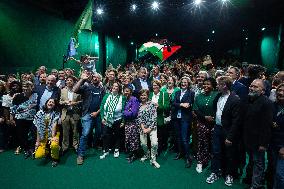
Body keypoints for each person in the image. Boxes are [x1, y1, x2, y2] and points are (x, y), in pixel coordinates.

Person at [206, 76, 241, 187]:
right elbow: (216, 111)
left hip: (228, 131)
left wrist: (230, 137)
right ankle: (215, 172)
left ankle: (229, 174)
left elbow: (236, 121)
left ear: (224, 86)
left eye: (218, 84)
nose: (216, 86)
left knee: (229, 154)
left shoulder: (235, 99)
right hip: (217, 128)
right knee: (216, 152)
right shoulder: (218, 96)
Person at [243, 79, 273, 189]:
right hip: (248, 138)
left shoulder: (267, 103)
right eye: (251, 85)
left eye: (256, 87)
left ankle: (256, 185)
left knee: (259, 163)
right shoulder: (248, 99)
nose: (251, 88)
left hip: (259, 141)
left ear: (263, 91)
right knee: (252, 161)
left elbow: (266, 126)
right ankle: (249, 179)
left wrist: (263, 144)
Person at [73, 71, 105, 165]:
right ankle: (80, 154)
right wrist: (82, 79)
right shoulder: (86, 86)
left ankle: (94, 145)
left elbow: (104, 103)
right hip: (87, 114)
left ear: (100, 79)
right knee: (85, 134)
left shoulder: (102, 89)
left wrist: (97, 112)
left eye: (97, 77)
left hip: (98, 114)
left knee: (99, 132)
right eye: (93, 77)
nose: (95, 78)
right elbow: (75, 90)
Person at [193, 78, 218, 173]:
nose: (206, 86)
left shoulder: (217, 95)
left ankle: (212, 162)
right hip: (202, 123)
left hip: (215, 124)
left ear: (213, 85)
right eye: (204, 84)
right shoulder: (199, 96)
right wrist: (205, 117)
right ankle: (200, 161)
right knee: (202, 143)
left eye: (208, 84)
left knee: (213, 144)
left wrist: (213, 118)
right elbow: (196, 109)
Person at [172, 76, 195, 168]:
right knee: (178, 137)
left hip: (185, 118)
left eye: (185, 82)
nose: (183, 84)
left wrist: (180, 105)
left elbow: (189, 104)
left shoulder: (191, 93)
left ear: (188, 84)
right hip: (176, 118)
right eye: (182, 82)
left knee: (185, 138)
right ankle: (180, 153)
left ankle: (188, 157)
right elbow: (173, 103)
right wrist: (181, 104)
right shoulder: (177, 92)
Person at [11, 81, 38, 158]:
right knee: (22, 135)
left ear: (32, 87)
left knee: (33, 134)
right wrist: (12, 118)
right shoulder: (17, 96)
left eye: (28, 87)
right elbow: (12, 109)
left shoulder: (36, 95)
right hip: (20, 119)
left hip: (32, 119)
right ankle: (26, 149)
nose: (26, 89)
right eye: (24, 87)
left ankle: (32, 149)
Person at [99, 82, 126, 159]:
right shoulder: (106, 96)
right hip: (106, 119)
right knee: (105, 135)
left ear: (119, 88)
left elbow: (123, 110)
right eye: (113, 86)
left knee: (117, 135)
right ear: (111, 87)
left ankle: (116, 149)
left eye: (116, 86)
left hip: (117, 119)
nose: (115, 87)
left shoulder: (122, 97)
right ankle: (105, 150)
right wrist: (102, 118)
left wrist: (123, 121)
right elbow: (102, 107)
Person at [33, 98, 61, 167]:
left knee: (54, 144)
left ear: (54, 105)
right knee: (38, 155)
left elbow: (54, 125)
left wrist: (52, 137)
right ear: (46, 103)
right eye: (49, 102)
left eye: (52, 102)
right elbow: (38, 128)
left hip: (53, 133)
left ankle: (55, 159)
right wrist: (38, 141)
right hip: (43, 135)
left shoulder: (56, 113)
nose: (50, 103)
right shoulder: (39, 113)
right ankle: (47, 151)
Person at [137, 89, 160, 168]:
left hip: (152, 127)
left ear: (147, 96)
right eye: (141, 95)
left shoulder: (152, 104)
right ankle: (147, 154)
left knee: (154, 143)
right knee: (143, 144)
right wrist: (143, 128)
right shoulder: (139, 105)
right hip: (142, 127)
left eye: (144, 95)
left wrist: (149, 129)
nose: (143, 97)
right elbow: (139, 118)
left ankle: (153, 159)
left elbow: (154, 118)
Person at [59, 76, 81, 154]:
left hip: (75, 113)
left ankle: (76, 146)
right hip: (65, 113)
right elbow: (59, 101)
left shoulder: (78, 90)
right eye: (67, 80)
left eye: (70, 80)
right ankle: (65, 147)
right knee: (65, 131)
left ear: (74, 82)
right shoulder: (62, 91)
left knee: (75, 131)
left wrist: (75, 103)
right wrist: (64, 101)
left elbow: (82, 101)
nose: (69, 82)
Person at [149, 80, 170, 155]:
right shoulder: (150, 94)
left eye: (156, 85)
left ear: (159, 86)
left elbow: (168, 106)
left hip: (160, 118)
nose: (155, 86)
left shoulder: (164, 94)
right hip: (150, 118)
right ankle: (151, 149)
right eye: (153, 85)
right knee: (151, 135)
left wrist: (159, 106)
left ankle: (158, 150)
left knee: (159, 135)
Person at [271, 83, 284, 189]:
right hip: (272, 144)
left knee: (280, 175)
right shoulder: (273, 105)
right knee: (273, 170)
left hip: (282, 146)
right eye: (279, 90)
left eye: (283, 91)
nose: (280, 93)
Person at [123, 85, 140, 163]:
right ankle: (131, 153)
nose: (126, 92)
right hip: (127, 122)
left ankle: (134, 155)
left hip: (133, 122)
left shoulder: (134, 99)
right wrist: (128, 111)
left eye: (128, 91)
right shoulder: (126, 99)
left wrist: (123, 112)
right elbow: (129, 112)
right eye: (125, 91)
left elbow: (133, 113)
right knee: (129, 138)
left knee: (134, 139)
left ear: (131, 91)